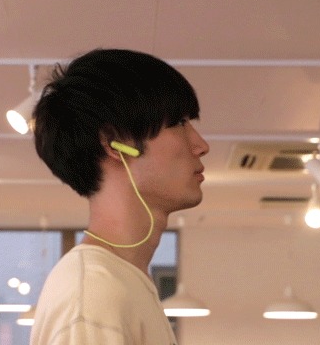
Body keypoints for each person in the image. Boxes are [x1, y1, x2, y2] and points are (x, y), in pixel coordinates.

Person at [30, 48, 209, 345]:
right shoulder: (93, 295)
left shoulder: (122, 282)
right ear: (113, 143)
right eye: (178, 123)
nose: (201, 145)